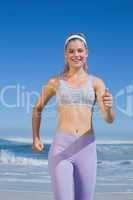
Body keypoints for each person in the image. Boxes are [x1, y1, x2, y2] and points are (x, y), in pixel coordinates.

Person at [32, 33, 115, 200]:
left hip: (87, 149)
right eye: (71, 51)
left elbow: (108, 119)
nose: (76, 55)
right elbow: (37, 108)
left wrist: (109, 107)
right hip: (61, 148)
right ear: (65, 54)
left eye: (80, 51)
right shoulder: (55, 82)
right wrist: (36, 137)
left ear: (86, 53)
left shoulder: (96, 82)